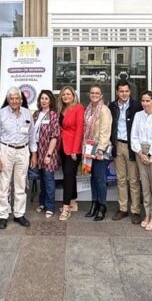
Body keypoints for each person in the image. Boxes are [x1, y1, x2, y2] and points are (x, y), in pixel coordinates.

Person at [0, 87, 36, 229]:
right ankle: (3, 215)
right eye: (12, 98)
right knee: (4, 184)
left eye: (17, 98)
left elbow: (32, 136)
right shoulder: (1, 114)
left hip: (23, 151)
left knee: (21, 184)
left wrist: (34, 154)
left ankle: (19, 214)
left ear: (21, 99)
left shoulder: (27, 113)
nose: (15, 101)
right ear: (8, 99)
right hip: (6, 150)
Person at [131, 91, 152, 231]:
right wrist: (140, 152)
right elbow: (134, 135)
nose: (145, 103)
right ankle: (147, 214)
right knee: (145, 186)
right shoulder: (138, 115)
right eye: (143, 101)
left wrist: (150, 154)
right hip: (141, 152)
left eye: (148, 101)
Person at [109, 81, 142, 224]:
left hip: (131, 146)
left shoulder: (136, 106)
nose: (124, 94)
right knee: (121, 179)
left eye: (126, 91)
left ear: (130, 92)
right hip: (118, 145)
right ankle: (123, 208)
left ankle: (135, 210)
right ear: (117, 92)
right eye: (121, 91)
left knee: (133, 180)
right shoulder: (112, 106)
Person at [83, 85, 112, 221]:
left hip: (100, 148)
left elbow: (105, 132)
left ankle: (102, 206)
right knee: (92, 178)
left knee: (100, 179)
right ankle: (94, 203)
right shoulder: (88, 109)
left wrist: (100, 149)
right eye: (92, 92)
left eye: (97, 93)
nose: (94, 95)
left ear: (101, 95)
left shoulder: (104, 110)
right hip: (89, 147)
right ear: (89, 94)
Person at [57, 86, 84, 221]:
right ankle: (73, 202)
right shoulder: (61, 109)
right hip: (62, 146)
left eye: (68, 94)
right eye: (63, 94)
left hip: (73, 148)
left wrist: (74, 150)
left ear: (73, 95)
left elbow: (79, 129)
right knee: (70, 175)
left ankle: (66, 207)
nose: (66, 96)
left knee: (68, 176)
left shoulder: (78, 108)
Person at [33, 89, 61, 218]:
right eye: (42, 98)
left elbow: (55, 136)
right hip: (38, 150)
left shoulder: (53, 115)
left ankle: (50, 207)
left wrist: (48, 154)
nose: (43, 101)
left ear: (50, 101)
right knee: (42, 179)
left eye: (46, 98)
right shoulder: (36, 114)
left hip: (49, 150)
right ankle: (42, 203)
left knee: (49, 179)